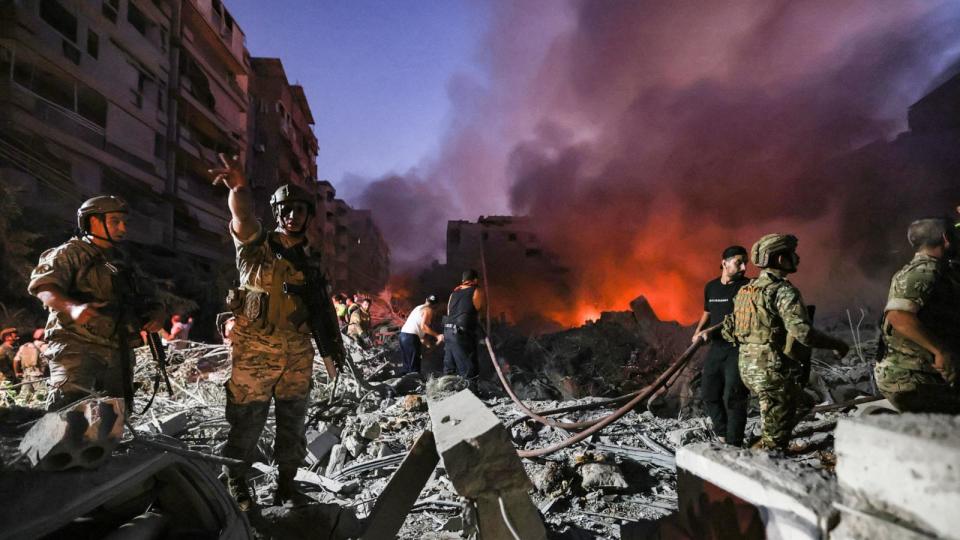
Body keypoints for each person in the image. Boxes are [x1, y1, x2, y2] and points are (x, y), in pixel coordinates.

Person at [210, 154, 345, 509]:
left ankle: (286, 484)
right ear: (276, 213)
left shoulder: (312, 260)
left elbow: (322, 310)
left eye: (299, 210)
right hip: (256, 351)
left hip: (297, 352)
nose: (292, 215)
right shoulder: (256, 245)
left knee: (293, 423)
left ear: (307, 216)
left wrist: (333, 349)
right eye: (285, 209)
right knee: (246, 424)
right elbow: (240, 214)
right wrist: (239, 185)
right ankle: (237, 483)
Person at [27, 196, 164, 411]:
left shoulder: (123, 261)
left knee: (116, 418)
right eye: (115, 221)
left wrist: (157, 314)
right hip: (77, 347)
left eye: (124, 222)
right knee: (69, 414)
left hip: (119, 350)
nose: (123, 228)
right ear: (93, 221)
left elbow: (148, 297)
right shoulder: (70, 253)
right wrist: (72, 308)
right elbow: (44, 287)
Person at [724, 234, 848, 451]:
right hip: (772, 371)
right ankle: (764, 453)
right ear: (781, 259)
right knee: (774, 447)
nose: (797, 258)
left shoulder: (745, 290)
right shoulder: (783, 290)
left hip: (748, 368)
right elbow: (803, 333)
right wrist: (838, 344)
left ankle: (771, 434)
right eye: (792, 254)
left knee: (804, 403)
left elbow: (732, 329)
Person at [875, 218, 960, 413]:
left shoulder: (933, 270)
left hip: (921, 377)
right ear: (946, 239)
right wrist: (940, 351)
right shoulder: (923, 272)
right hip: (914, 379)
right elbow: (898, 316)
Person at [692, 246, 750, 446]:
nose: (743, 267)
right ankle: (723, 434)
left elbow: (735, 318)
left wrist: (710, 332)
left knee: (733, 397)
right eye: (738, 262)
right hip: (717, 349)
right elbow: (708, 311)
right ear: (724, 263)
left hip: (738, 348)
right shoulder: (711, 287)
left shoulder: (747, 287)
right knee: (708, 392)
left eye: (745, 263)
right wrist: (698, 331)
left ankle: (734, 444)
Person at [443, 270, 486, 389]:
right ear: (475, 280)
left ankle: (448, 393)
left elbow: (448, 312)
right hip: (461, 333)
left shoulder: (453, 294)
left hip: (447, 331)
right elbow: (479, 312)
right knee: (469, 367)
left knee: (449, 367)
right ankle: (472, 395)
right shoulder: (476, 291)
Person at [398, 295, 443, 374]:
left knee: (407, 365)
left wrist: (427, 344)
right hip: (410, 337)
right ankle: (415, 384)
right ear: (435, 305)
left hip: (402, 335)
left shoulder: (418, 308)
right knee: (414, 367)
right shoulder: (428, 310)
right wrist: (437, 336)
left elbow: (417, 329)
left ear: (426, 300)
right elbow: (423, 326)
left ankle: (403, 383)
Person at [14, 328, 47, 399]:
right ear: (43, 336)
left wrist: (17, 373)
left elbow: (16, 360)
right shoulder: (45, 346)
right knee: (42, 394)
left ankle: (19, 409)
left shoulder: (24, 346)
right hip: (39, 376)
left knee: (24, 396)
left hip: (26, 376)